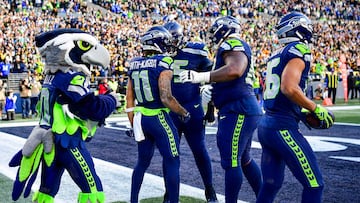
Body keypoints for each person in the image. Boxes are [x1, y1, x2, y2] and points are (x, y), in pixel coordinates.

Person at [9, 28, 119, 203]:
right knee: (92, 190)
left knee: (46, 192)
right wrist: (111, 99)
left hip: (49, 144)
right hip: (68, 143)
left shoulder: (49, 78)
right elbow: (92, 108)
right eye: (84, 45)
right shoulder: (72, 78)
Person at [180, 16, 263, 203]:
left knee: (231, 161)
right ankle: (264, 198)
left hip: (238, 108)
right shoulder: (232, 45)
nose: (212, 35)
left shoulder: (232, 43)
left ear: (223, 29)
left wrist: (203, 76)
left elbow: (235, 70)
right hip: (240, 106)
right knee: (244, 160)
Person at [255, 12, 334, 203]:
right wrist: (315, 108)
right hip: (282, 126)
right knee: (315, 184)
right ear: (298, 28)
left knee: (271, 184)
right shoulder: (298, 49)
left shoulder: (277, 53)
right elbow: (289, 88)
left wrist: (300, 109)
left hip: (267, 124)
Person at [126, 25, 190, 203]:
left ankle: (133, 200)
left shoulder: (134, 63)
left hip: (141, 117)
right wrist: (184, 112)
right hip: (158, 117)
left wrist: (133, 123)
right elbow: (166, 97)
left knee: (142, 162)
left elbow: (129, 99)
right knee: (172, 160)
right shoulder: (164, 62)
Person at [164, 20, 218, 203]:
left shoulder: (197, 50)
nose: (169, 45)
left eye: (172, 40)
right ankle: (170, 191)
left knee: (200, 150)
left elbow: (213, 78)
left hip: (192, 109)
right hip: (170, 111)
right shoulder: (161, 53)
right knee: (170, 154)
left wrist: (211, 108)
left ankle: (209, 189)